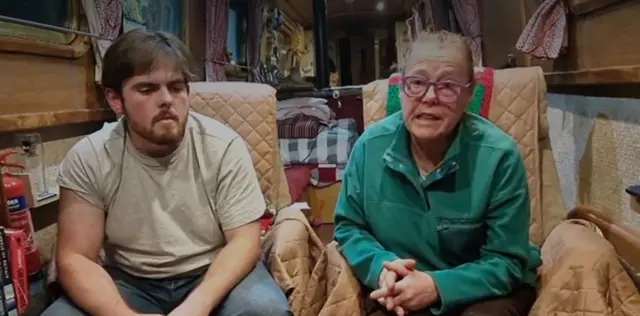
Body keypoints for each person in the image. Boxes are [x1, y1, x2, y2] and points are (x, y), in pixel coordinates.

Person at [41, 29, 291, 316]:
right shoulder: (89, 157)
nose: (166, 100)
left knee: (265, 310)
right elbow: (75, 257)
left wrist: (198, 305)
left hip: (213, 271)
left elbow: (244, 242)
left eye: (176, 87)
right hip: (130, 279)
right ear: (115, 99)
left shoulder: (223, 146)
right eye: (147, 89)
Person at [334, 30, 542, 316]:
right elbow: (349, 227)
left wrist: (437, 286)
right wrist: (381, 268)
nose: (429, 97)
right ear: (402, 87)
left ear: (469, 93)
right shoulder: (369, 148)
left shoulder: (500, 156)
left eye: (447, 86)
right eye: (417, 83)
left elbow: (508, 261)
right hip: (400, 288)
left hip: (480, 292)